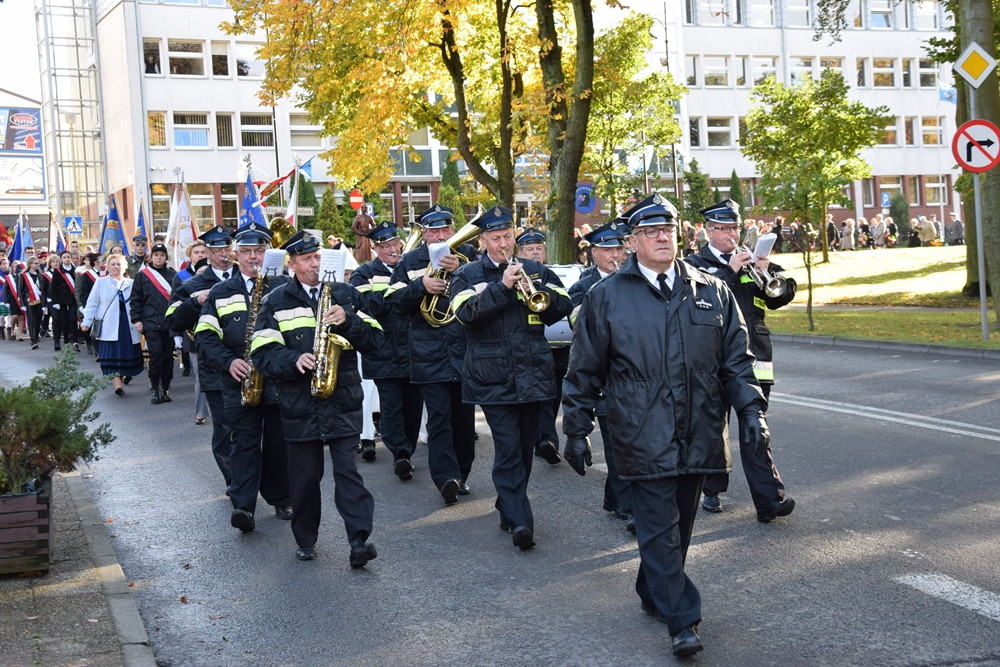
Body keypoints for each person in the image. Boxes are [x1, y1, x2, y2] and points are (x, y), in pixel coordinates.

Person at [561, 192, 769, 657]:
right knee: (657, 526)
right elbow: (585, 369)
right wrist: (575, 430)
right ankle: (683, 619)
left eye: (668, 230)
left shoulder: (711, 290)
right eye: (650, 231)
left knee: (681, 527)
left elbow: (737, 362)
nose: (661, 238)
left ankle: (653, 589)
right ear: (632, 241)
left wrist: (752, 412)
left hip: (699, 430)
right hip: (639, 431)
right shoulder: (606, 296)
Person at [250, 230, 383, 565]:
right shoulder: (276, 301)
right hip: (299, 402)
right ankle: (306, 538)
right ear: (292, 264)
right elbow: (261, 353)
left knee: (348, 473)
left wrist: (348, 321)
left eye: (318, 257)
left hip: (342, 397)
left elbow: (377, 341)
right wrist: (293, 361)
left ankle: (359, 541)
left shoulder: (346, 294)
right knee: (305, 479)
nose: (315, 264)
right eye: (307, 259)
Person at [450, 206, 572, 550]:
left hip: (533, 371)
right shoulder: (468, 274)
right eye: (496, 238)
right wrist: (501, 288)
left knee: (523, 447)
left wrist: (541, 296)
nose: (503, 243)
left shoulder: (534, 268)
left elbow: (562, 304)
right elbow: (466, 315)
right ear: (484, 241)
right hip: (492, 375)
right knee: (507, 449)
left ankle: (508, 505)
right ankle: (521, 521)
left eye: (508, 236)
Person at [684, 198, 796, 522]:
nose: (731, 234)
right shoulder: (696, 263)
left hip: (753, 356)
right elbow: (695, 302)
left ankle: (769, 501)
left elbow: (781, 295)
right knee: (711, 426)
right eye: (724, 228)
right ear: (709, 230)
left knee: (755, 427)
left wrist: (765, 270)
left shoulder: (751, 260)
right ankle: (711, 489)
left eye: (734, 227)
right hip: (712, 357)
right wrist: (729, 273)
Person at [195, 221, 292, 532]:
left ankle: (281, 497)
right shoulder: (221, 291)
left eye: (260, 251)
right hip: (238, 380)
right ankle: (243, 506)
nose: (254, 257)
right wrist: (229, 362)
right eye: (247, 251)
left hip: (277, 379)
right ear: (236, 254)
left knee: (279, 443)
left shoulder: (285, 288)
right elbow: (205, 336)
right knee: (244, 444)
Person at [385, 205, 477, 504]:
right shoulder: (410, 262)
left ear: (453, 230)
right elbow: (394, 302)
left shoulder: (469, 257)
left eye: (445, 229)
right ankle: (446, 478)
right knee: (438, 418)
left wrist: (459, 273)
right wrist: (420, 286)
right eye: (433, 230)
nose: (440, 235)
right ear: (424, 234)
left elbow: (483, 298)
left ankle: (462, 473)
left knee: (464, 419)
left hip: (462, 348)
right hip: (427, 351)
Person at [567, 219, 633, 528]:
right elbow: (577, 323)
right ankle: (625, 502)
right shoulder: (583, 286)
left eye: (618, 248)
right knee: (616, 441)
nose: (615, 255)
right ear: (594, 253)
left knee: (630, 442)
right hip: (604, 373)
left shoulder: (633, 279)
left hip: (632, 370)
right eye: (608, 250)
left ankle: (614, 496)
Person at [349, 220, 423, 474]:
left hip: (415, 350)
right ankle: (399, 453)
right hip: (383, 351)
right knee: (391, 407)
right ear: (376, 248)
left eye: (396, 244)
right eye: (387, 246)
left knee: (413, 407)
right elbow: (366, 306)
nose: (393, 250)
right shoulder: (363, 273)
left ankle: (408, 450)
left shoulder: (411, 268)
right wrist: (398, 292)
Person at [166, 226, 237, 490]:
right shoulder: (191, 285)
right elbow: (172, 319)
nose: (224, 254)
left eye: (228, 248)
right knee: (225, 428)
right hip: (215, 366)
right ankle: (235, 483)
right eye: (217, 250)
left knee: (261, 429)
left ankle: (273, 490)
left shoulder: (250, 277)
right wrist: (194, 302)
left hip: (252, 364)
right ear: (206, 253)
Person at [512, 227, 563, 466]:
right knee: (540, 398)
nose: (535, 253)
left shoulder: (548, 274)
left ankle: (545, 440)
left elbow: (563, 304)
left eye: (538, 249)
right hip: (527, 345)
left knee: (553, 395)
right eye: (529, 249)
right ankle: (546, 442)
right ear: (519, 252)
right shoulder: (513, 273)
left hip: (556, 346)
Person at [80, 254, 144, 396]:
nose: (116, 267)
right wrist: (86, 322)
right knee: (114, 353)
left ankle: (125, 374)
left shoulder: (131, 283)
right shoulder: (101, 283)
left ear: (124, 267)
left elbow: (137, 305)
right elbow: (92, 304)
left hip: (127, 325)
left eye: (119, 264)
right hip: (109, 325)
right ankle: (117, 384)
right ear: (107, 267)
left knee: (127, 353)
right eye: (113, 264)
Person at [131, 243, 178, 404]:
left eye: (162, 255)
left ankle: (166, 388)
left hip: (169, 322)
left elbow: (179, 299)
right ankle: (155, 388)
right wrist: (136, 319)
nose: (159, 257)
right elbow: (136, 299)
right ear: (151, 256)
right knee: (156, 356)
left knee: (168, 357)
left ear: (166, 257)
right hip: (150, 321)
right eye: (156, 254)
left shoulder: (173, 275)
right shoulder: (143, 275)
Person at [47, 250, 80, 352]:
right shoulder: (58, 270)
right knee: (64, 321)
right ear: (61, 259)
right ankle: (65, 340)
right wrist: (55, 301)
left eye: (68, 257)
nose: (66, 259)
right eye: (64, 257)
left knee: (72, 320)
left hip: (73, 299)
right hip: (61, 300)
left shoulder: (76, 269)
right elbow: (54, 287)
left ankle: (74, 341)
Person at [75, 253, 100, 355]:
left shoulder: (106, 273)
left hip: (104, 305)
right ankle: (93, 347)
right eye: (100, 260)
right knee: (92, 326)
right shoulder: (86, 274)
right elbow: (82, 292)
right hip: (92, 304)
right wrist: (83, 306)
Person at [17, 257, 43, 347]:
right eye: (35, 263)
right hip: (29, 300)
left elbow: (43, 288)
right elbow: (20, 290)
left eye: (38, 263)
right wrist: (22, 304)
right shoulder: (24, 275)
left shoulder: (40, 275)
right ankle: (33, 340)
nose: (37, 265)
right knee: (31, 320)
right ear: (30, 264)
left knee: (38, 319)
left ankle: (36, 335)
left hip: (39, 300)